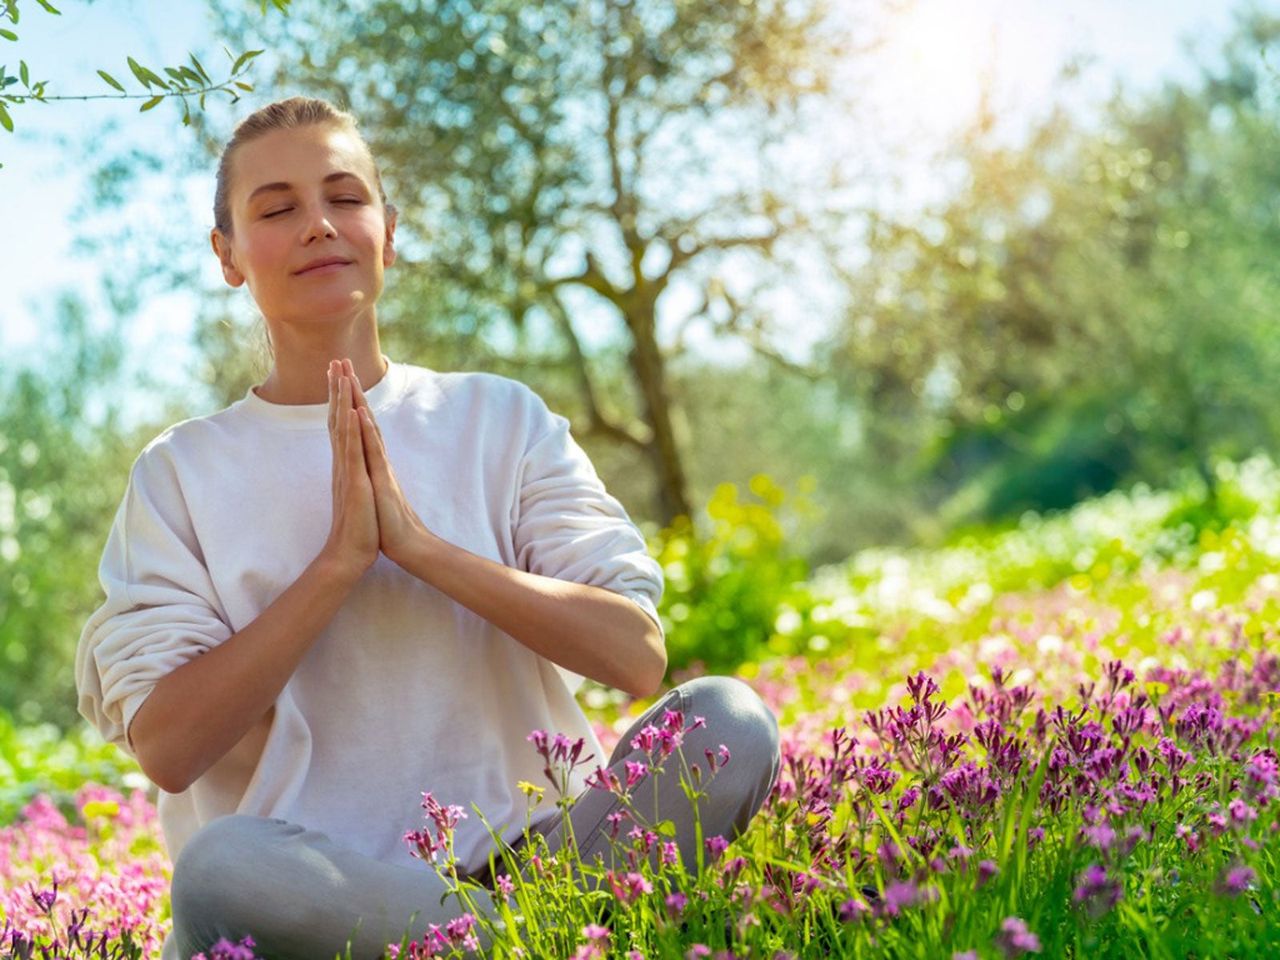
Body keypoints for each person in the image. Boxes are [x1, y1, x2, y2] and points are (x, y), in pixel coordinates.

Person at [74, 96, 781, 960]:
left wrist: (421, 550)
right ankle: (530, 943)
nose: (318, 226)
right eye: (277, 208)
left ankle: (491, 935)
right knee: (223, 870)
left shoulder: (497, 417)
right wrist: (337, 566)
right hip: (324, 897)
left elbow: (635, 654)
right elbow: (170, 747)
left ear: (389, 232)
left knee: (729, 722)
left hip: (545, 861)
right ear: (227, 255)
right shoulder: (178, 473)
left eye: (345, 197)